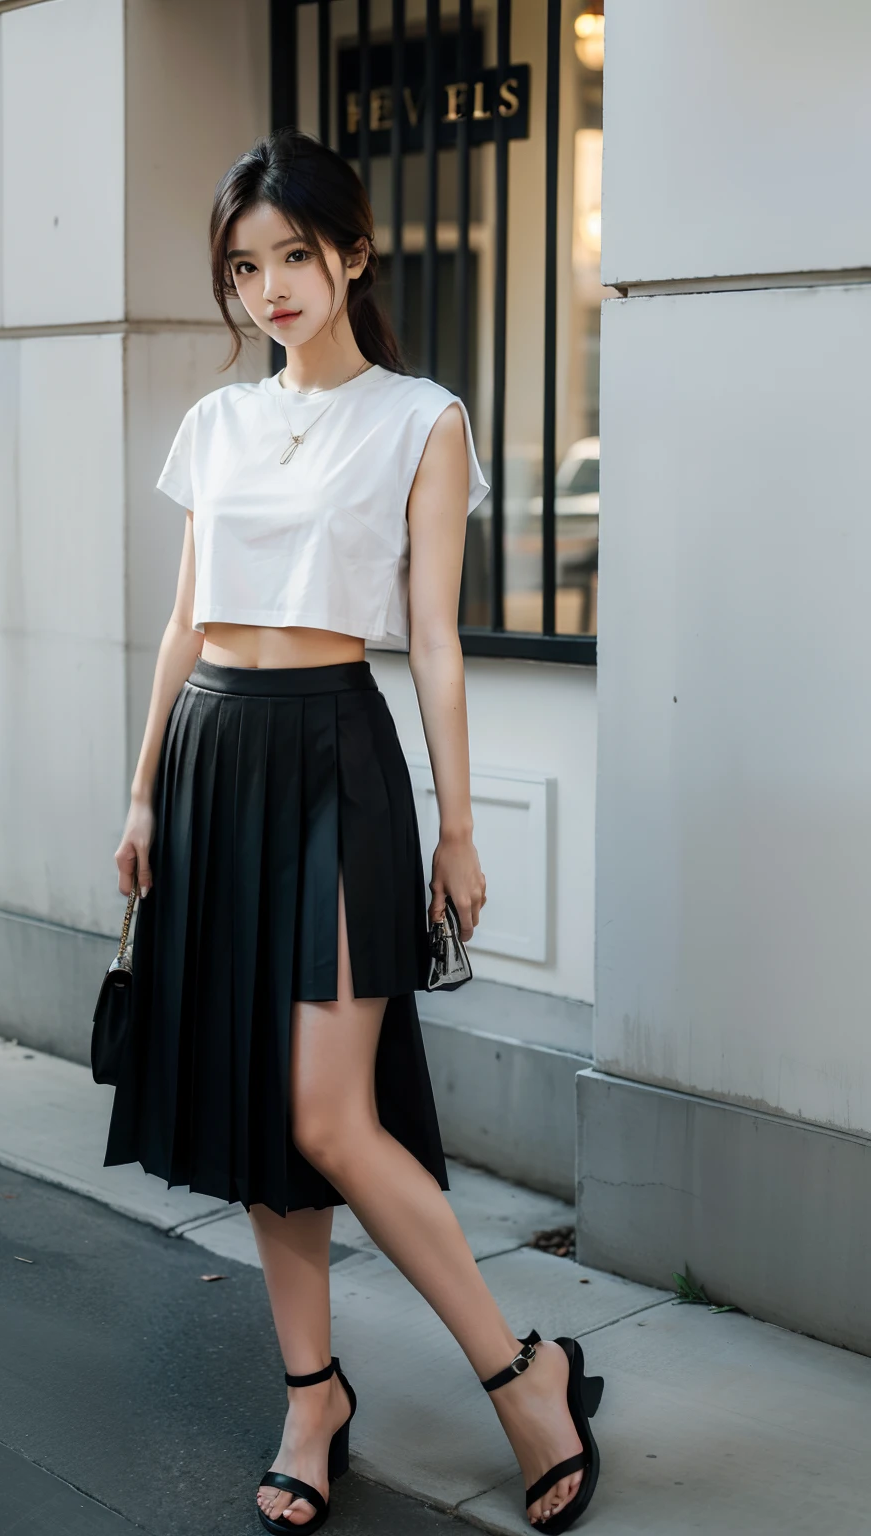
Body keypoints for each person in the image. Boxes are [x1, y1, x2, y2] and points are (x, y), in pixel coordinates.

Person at [103, 128, 603, 1534]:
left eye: (292, 257)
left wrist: (458, 826)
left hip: (334, 756)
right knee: (273, 1117)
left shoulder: (421, 418)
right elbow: (184, 622)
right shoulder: (215, 426)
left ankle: (520, 1376)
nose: (268, 286)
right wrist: (143, 789)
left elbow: (434, 642)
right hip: (212, 751)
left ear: (355, 253)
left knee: (332, 1112)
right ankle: (310, 1393)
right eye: (243, 265)